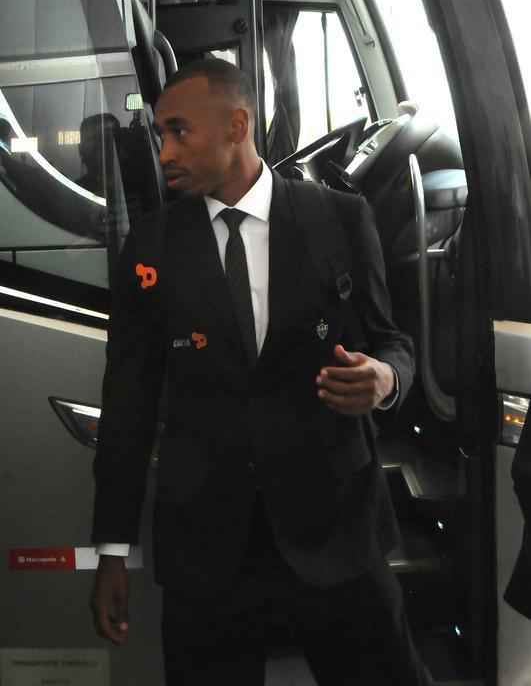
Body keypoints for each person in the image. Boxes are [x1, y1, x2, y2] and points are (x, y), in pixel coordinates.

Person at [90, 59, 432, 685]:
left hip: (335, 526)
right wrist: (111, 550)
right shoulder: (151, 247)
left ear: (236, 125)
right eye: (159, 134)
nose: (163, 151)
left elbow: (394, 342)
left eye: (178, 131)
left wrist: (385, 379)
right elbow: (128, 405)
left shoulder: (339, 218)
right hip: (207, 546)